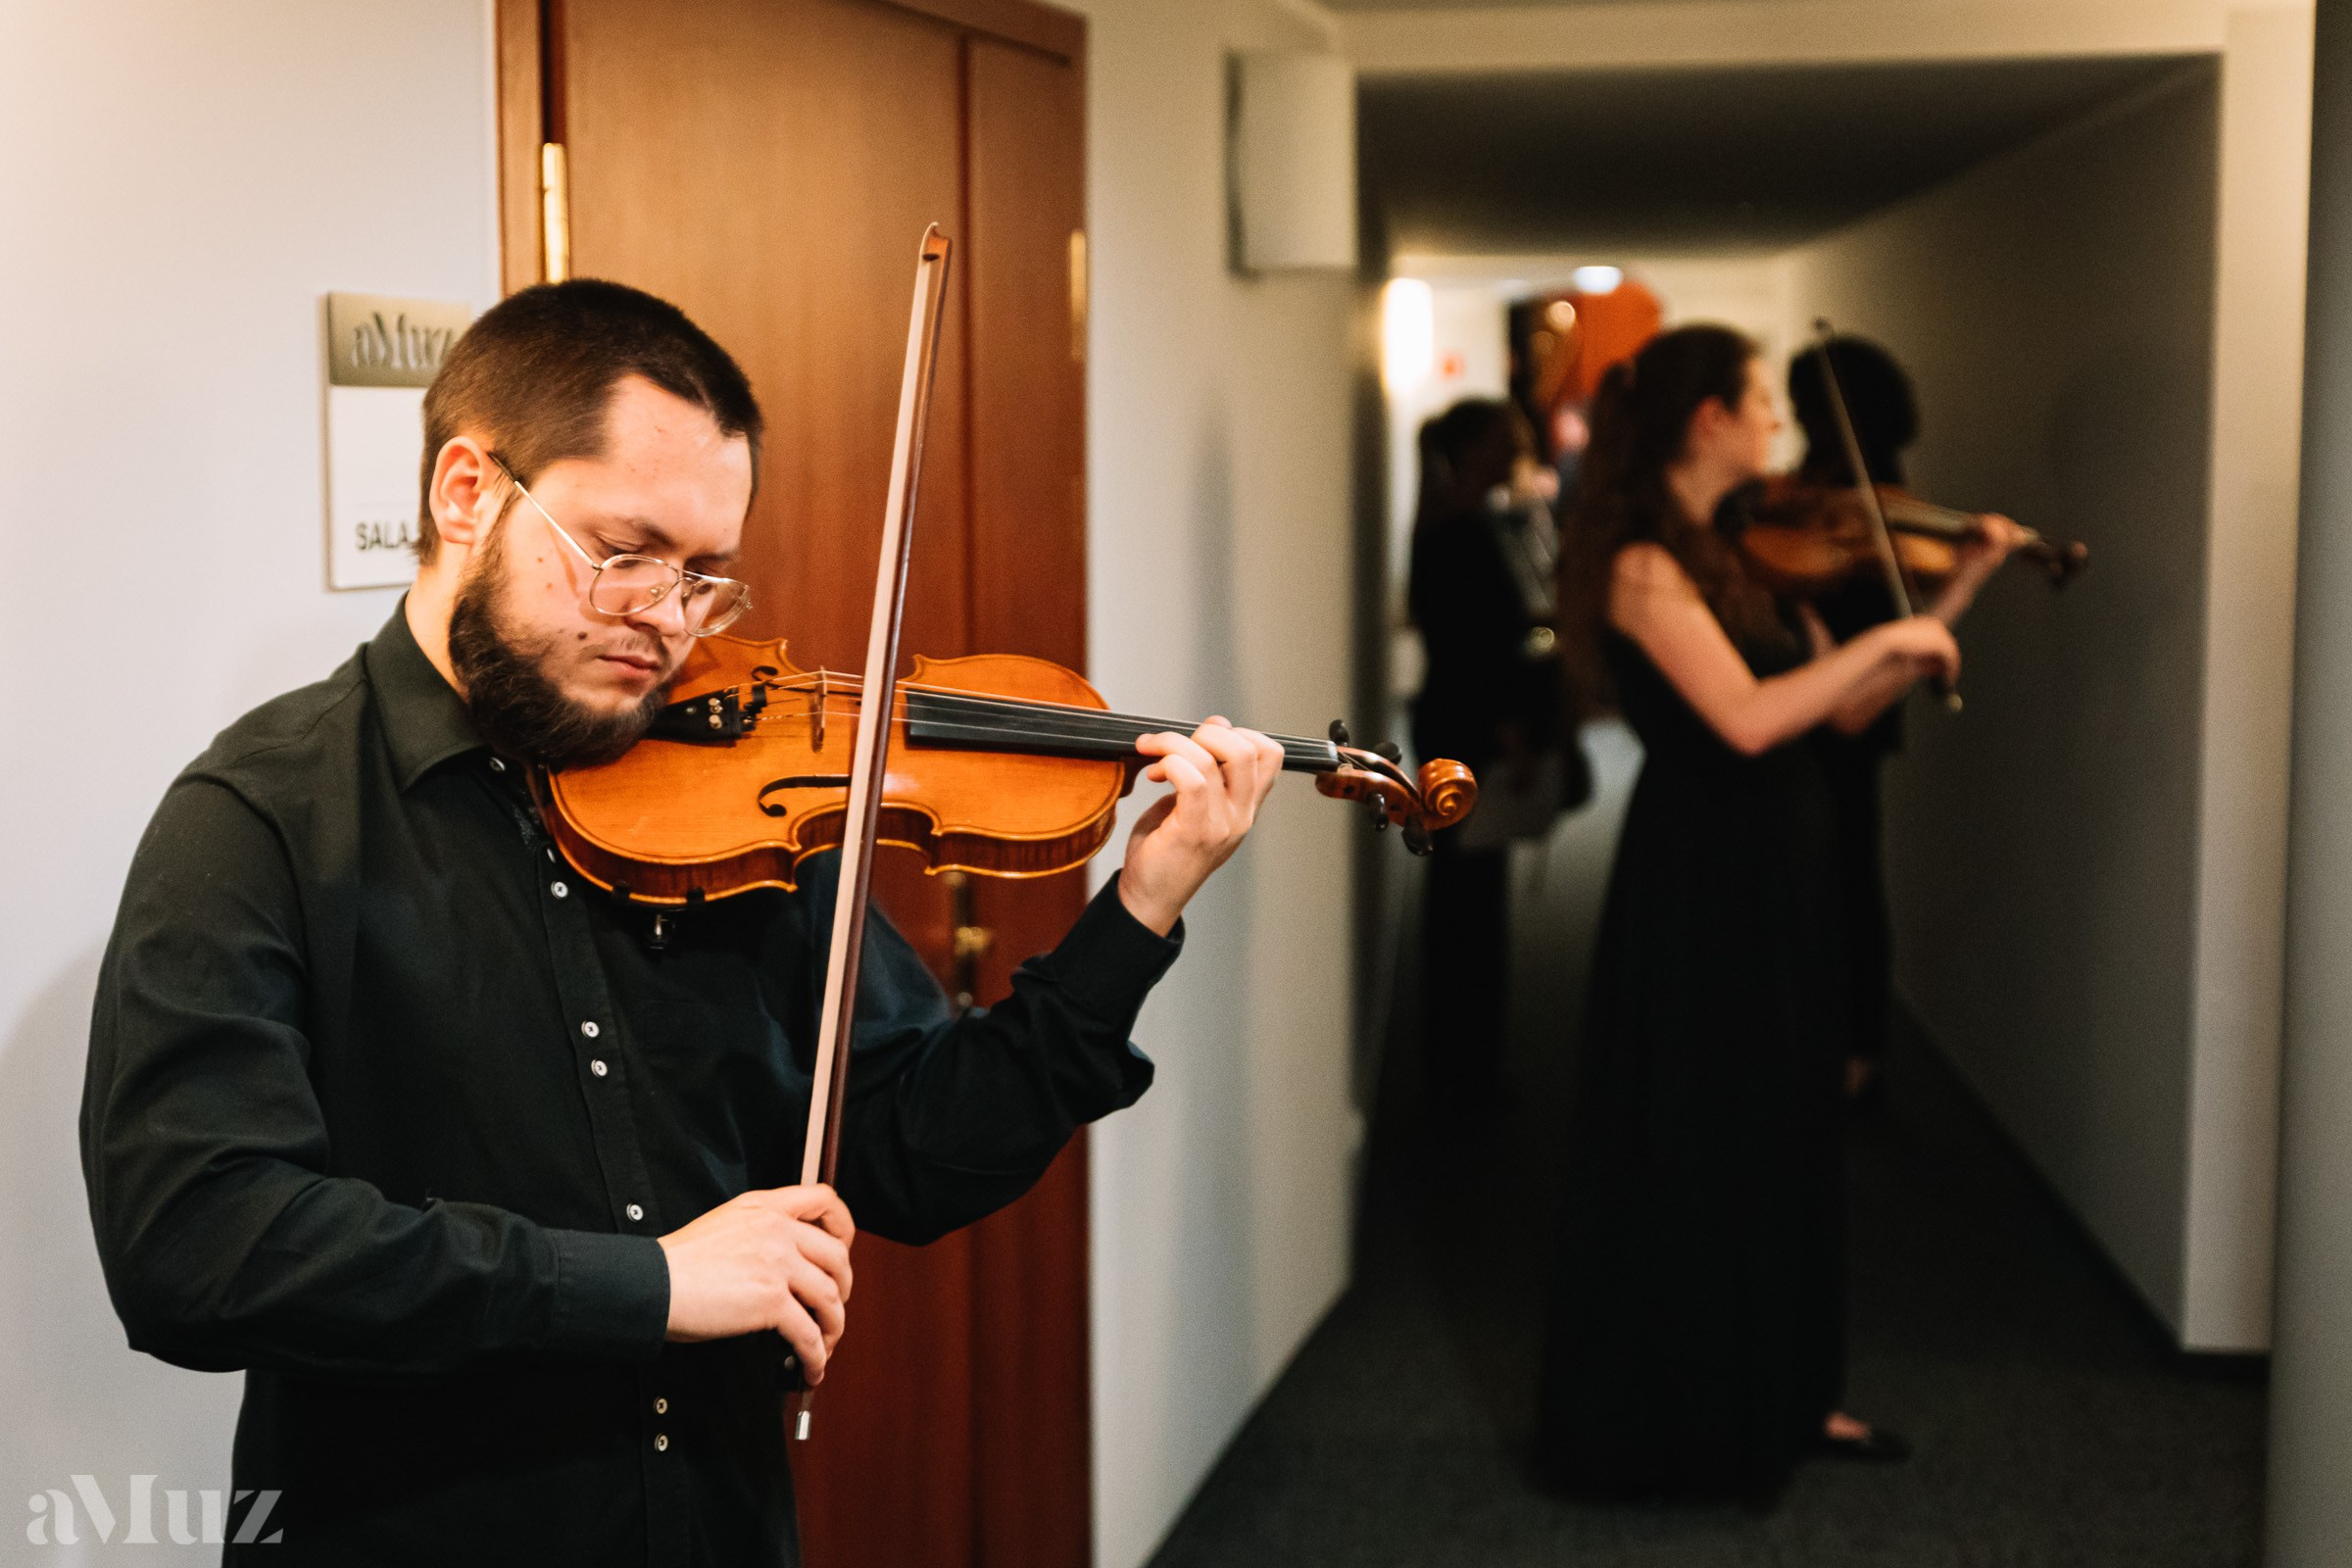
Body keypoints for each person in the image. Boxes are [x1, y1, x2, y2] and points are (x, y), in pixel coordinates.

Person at [79, 279, 1285, 1565]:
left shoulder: (738, 800)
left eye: (706, 577)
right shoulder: (259, 819)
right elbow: (191, 1244)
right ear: (465, 495)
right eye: (625, 554)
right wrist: (650, 1286)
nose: (667, 621)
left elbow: (911, 1148)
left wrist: (1139, 910)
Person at [1532, 324, 2021, 1504]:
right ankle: (1703, 1419)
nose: (1779, 425)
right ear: (1710, 420)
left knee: (1791, 1134)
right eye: (1763, 400)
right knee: (1710, 1143)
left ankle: (1798, 1390)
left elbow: (1838, 712)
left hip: (1781, 867)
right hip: (1703, 880)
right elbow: (1748, 719)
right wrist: (1896, 634)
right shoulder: (1647, 565)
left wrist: (1955, 593)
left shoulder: (1741, 549)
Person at [1406, 399, 1582, 1117]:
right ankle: (1465, 1072)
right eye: (1507, 443)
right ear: (1478, 448)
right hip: (1475, 733)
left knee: (1463, 899)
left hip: (1454, 722)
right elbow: (1477, 645)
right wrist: (1512, 733)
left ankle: (1458, 1064)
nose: (1519, 453)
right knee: (1470, 909)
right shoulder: (1464, 532)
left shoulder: (1449, 523)